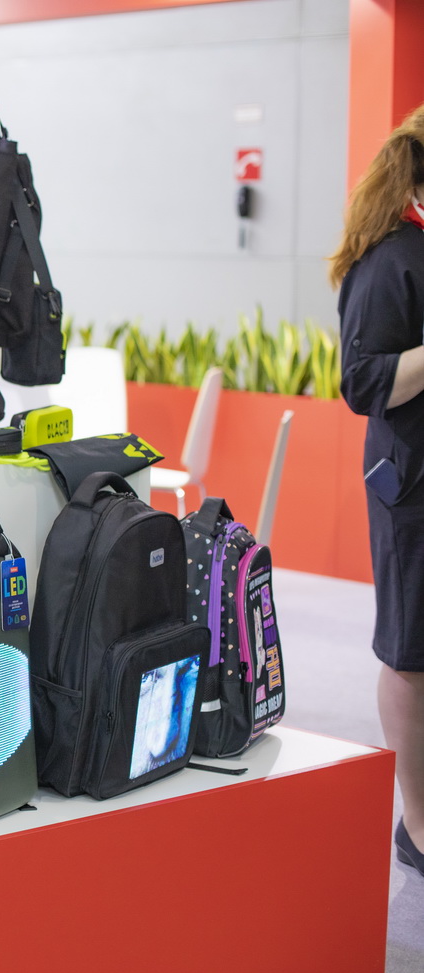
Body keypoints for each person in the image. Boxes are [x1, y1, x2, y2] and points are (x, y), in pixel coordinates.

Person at [334, 103, 424, 879]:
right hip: (413, 486)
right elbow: (362, 382)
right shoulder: (390, 259)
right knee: (411, 654)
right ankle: (417, 825)